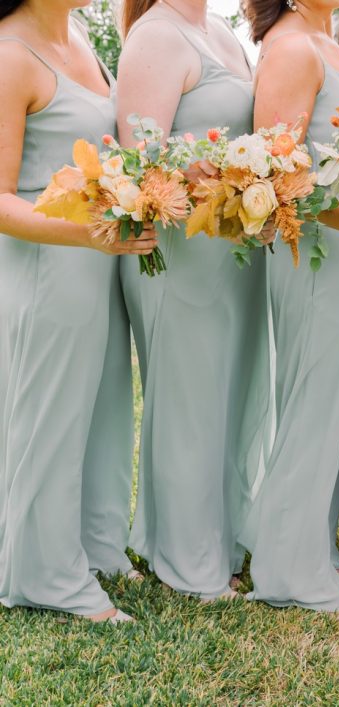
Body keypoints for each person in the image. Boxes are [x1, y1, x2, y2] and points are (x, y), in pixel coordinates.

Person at [0, 0, 157, 622]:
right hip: (48, 264)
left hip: (97, 262)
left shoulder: (83, 40)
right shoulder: (10, 56)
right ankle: (46, 576)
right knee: (52, 416)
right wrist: (90, 233)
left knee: (104, 409)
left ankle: (94, 547)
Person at [240, 0, 339, 625]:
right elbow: (274, 175)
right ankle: (290, 571)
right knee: (315, 402)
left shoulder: (323, 45)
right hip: (318, 253)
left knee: (335, 406)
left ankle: (315, 545)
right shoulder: (291, 48)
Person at [117, 0, 270, 600]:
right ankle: (187, 562)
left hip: (234, 249)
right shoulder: (155, 37)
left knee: (227, 396)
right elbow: (137, 160)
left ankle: (221, 536)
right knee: (188, 401)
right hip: (182, 250)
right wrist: (217, 172)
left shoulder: (223, 32)